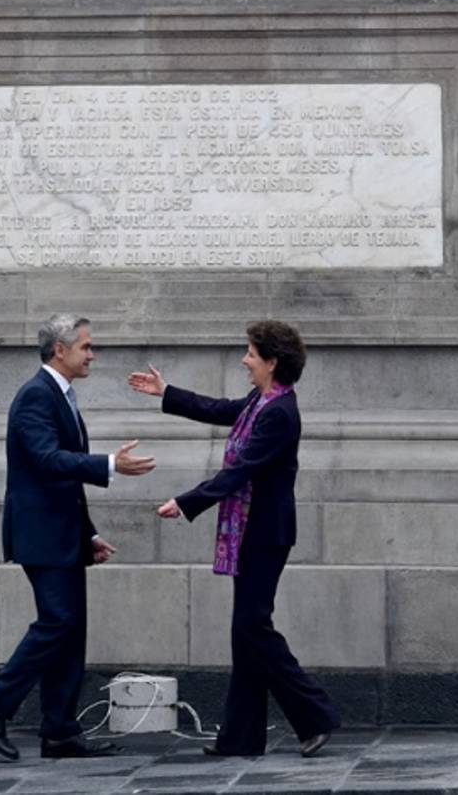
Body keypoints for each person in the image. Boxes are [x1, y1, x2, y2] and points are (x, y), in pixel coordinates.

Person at [130, 320, 339, 761]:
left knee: (252, 628)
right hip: (252, 533)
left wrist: (187, 503)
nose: (244, 361)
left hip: (265, 535)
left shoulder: (280, 413)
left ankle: (315, 715)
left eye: (250, 353)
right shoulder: (260, 402)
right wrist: (166, 393)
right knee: (246, 634)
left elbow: (239, 471)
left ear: (272, 361)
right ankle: (241, 739)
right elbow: (219, 409)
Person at [0, 315, 156, 764]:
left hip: (64, 534)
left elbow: (62, 479)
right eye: (86, 346)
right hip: (41, 536)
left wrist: (88, 532)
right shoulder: (35, 396)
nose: (92, 354)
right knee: (57, 623)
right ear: (60, 349)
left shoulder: (59, 395)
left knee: (71, 632)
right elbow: (49, 460)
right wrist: (109, 464)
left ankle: (60, 733)